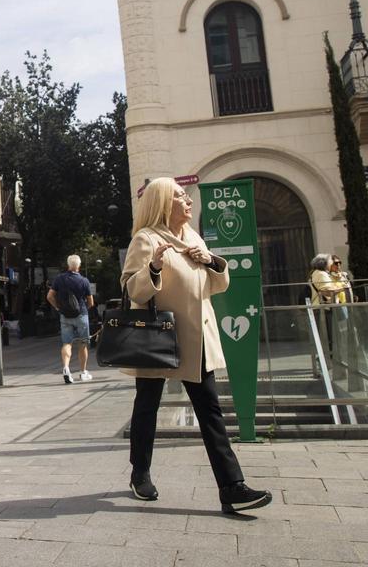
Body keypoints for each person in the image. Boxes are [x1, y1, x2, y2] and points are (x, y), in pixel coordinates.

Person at [121, 177, 272, 514]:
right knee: (147, 406)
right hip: (157, 338)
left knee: (211, 412)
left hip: (197, 339)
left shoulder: (192, 236)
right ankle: (140, 472)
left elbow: (215, 286)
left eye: (186, 194)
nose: (188, 200)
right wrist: (155, 267)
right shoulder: (145, 240)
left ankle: (232, 487)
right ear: (162, 202)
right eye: (180, 195)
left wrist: (212, 260)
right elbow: (134, 290)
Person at [48, 255, 95, 384]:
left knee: (67, 343)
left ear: (68, 265)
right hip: (81, 315)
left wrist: (58, 308)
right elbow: (91, 302)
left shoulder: (59, 279)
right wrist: (86, 308)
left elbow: (50, 296)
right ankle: (83, 372)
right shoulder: (84, 281)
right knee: (83, 343)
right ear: (79, 266)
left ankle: (66, 368)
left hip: (65, 315)